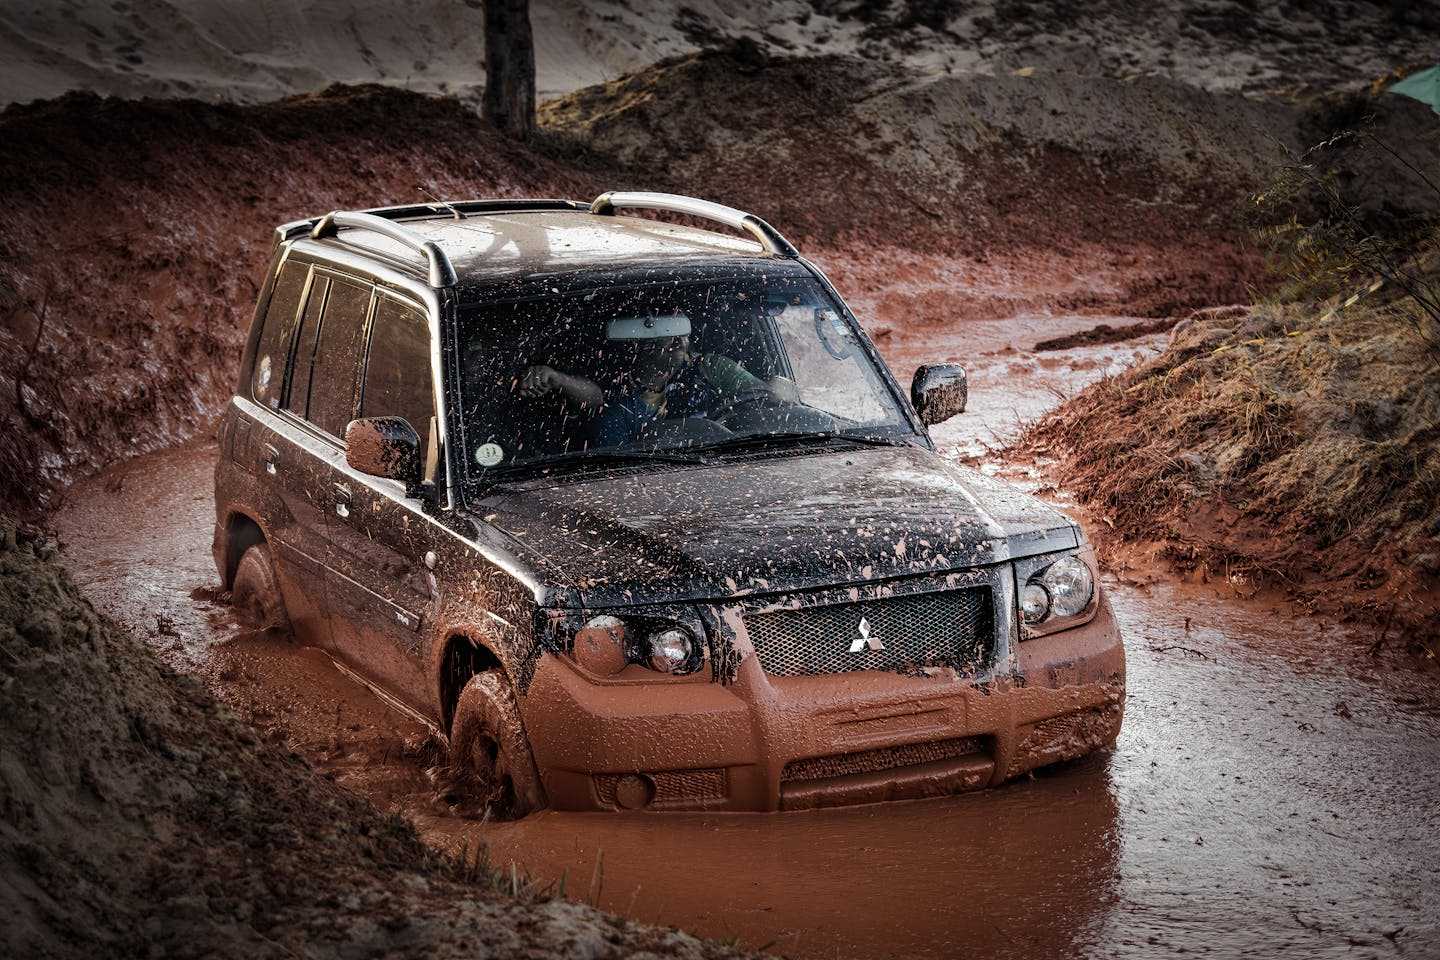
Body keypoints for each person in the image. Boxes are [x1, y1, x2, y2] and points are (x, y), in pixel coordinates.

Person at [519, 312, 795, 446]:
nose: (679, 340)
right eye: (667, 331)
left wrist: (775, 392)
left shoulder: (710, 368)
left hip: (726, 461)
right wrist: (558, 380)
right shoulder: (614, 385)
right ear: (639, 341)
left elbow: (761, 401)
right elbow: (594, 398)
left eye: (682, 331)